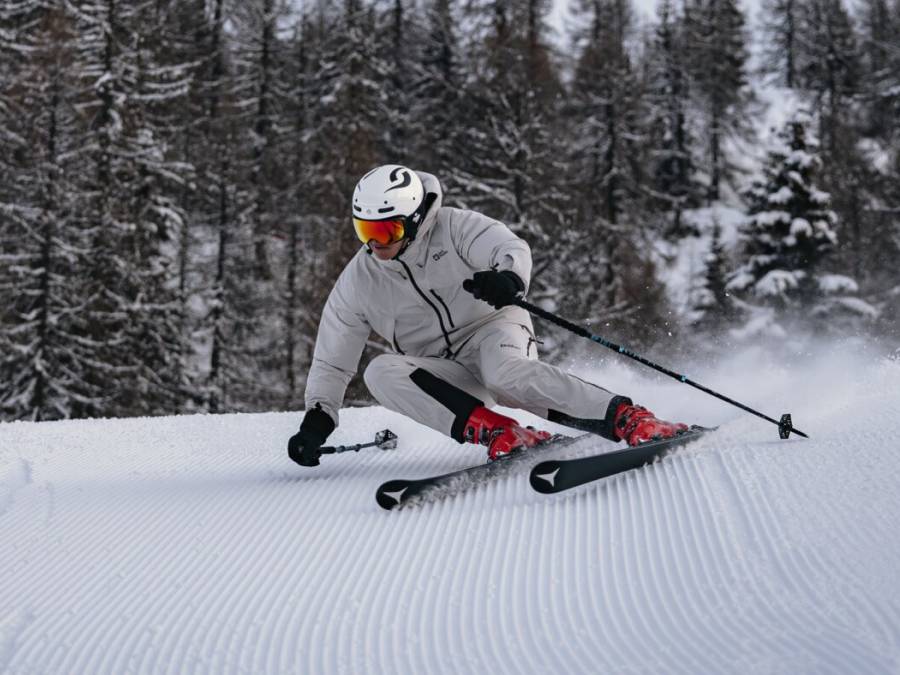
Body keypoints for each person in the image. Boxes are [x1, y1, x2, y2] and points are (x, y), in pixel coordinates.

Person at [287, 165, 688, 467]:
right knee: (379, 371)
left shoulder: (454, 227)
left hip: (492, 330)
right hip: (445, 371)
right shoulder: (360, 278)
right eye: (364, 231)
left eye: (386, 232)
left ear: (411, 220)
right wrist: (318, 418)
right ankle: (500, 430)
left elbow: (508, 246)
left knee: (504, 373)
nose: (375, 245)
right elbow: (332, 358)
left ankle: (627, 418)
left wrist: (507, 277)